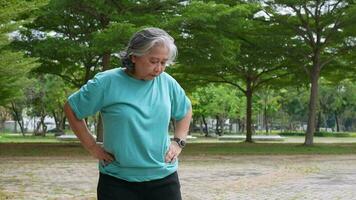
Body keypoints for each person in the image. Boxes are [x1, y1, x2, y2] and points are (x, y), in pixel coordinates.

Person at [64, 27, 192, 200]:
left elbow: (185, 110)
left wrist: (178, 141)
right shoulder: (106, 82)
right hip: (117, 181)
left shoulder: (167, 83)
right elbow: (72, 108)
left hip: (163, 179)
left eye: (164, 62)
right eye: (153, 61)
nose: (159, 69)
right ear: (134, 56)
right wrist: (92, 146)